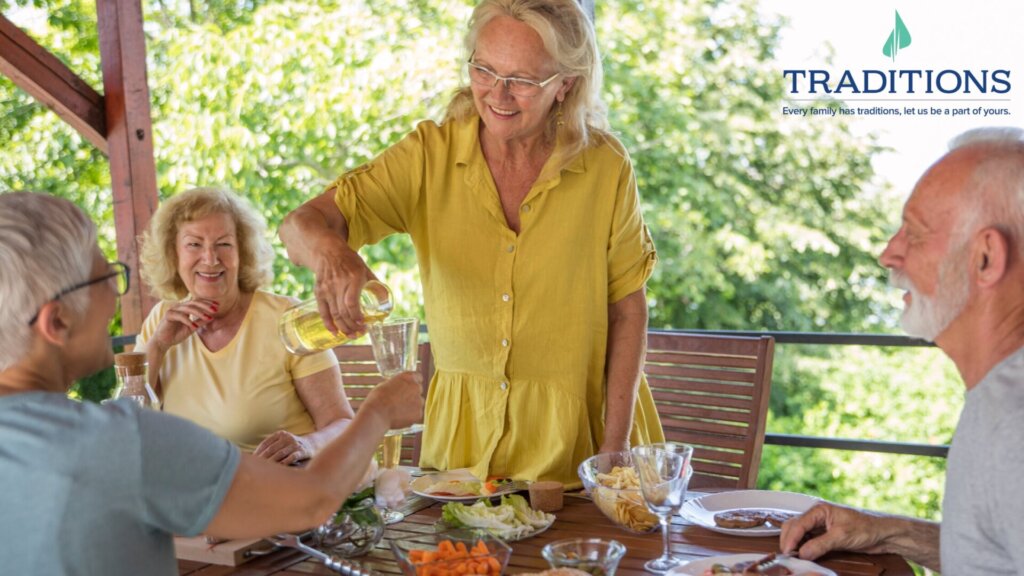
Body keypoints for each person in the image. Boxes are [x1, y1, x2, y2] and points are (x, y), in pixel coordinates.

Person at [279, 0, 663, 486]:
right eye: (484, 70)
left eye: (521, 80)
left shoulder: (605, 166)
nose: (498, 94)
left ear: (565, 83)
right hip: (463, 456)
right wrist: (334, 255)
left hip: (581, 450)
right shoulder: (428, 156)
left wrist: (614, 449)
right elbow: (298, 226)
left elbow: (627, 311)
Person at [0, 191, 423, 574]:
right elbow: (311, 500)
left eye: (223, 244)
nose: (115, 292)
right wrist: (380, 410)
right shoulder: (121, 440)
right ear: (57, 321)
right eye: (104, 277)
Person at [779, 127, 1024, 573]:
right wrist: (888, 532)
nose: (889, 253)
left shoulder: (1014, 421)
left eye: (914, 233)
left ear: (986, 257)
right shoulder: (1000, 393)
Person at [136, 187, 352, 464]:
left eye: (224, 244)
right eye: (194, 244)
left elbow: (343, 423)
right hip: (193, 485)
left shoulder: (287, 318)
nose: (210, 259)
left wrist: (306, 444)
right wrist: (157, 346)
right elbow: (130, 424)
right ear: (173, 254)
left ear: (243, 252)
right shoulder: (161, 320)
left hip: (281, 482)